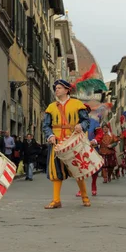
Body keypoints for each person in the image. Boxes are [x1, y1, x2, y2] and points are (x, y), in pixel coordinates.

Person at [42, 79, 91, 209]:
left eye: (59, 88)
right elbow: (46, 125)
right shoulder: (51, 107)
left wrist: (81, 126)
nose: (56, 90)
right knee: (55, 171)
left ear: (66, 89)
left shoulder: (77, 104)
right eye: (55, 88)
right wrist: (50, 135)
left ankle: (85, 197)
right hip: (57, 142)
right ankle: (56, 200)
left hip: (73, 141)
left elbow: (86, 121)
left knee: (77, 170)